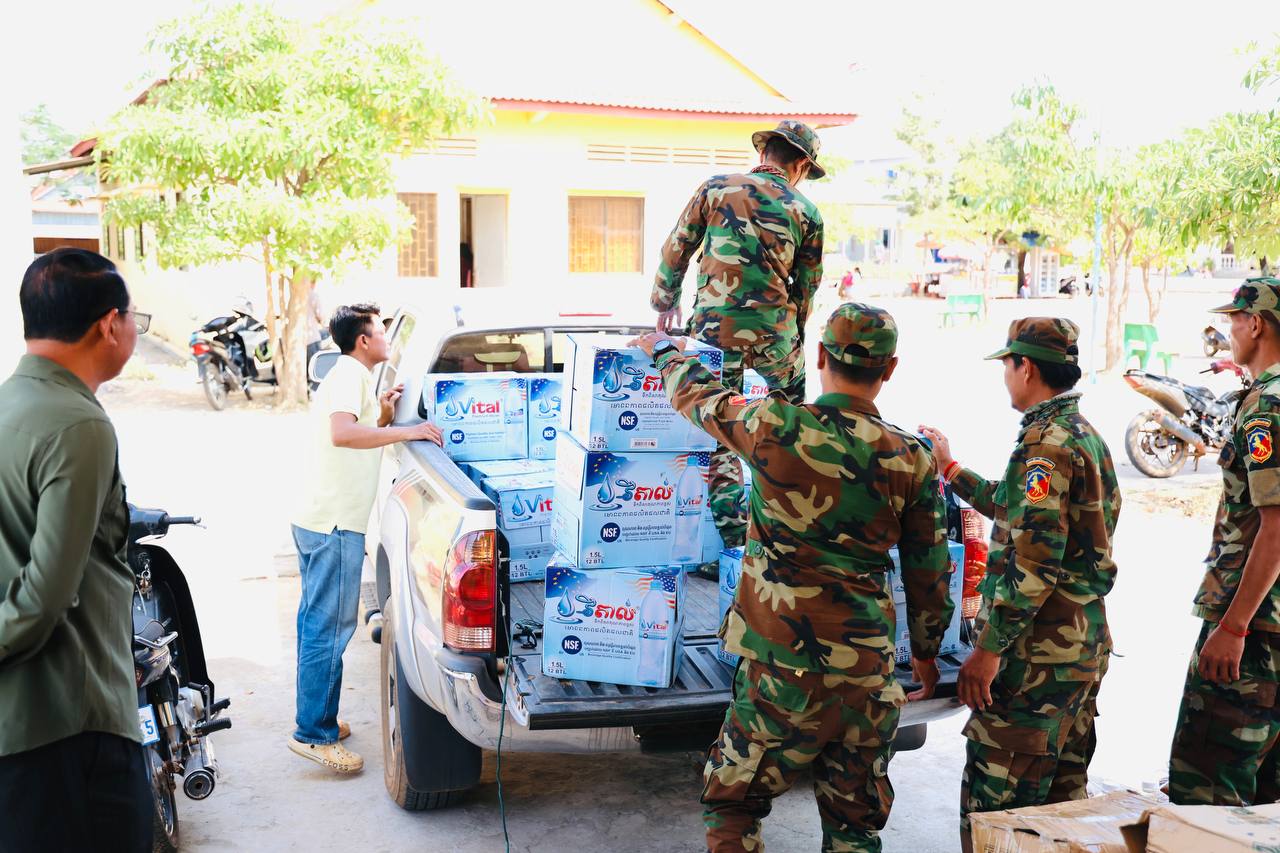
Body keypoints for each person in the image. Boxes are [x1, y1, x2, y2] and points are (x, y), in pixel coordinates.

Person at [633, 302, 954, 853]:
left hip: (779, 671)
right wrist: (925, 655)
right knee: (854, 824)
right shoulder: (912, 457)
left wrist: (664, 351)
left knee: (733, 805)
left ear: (821, 356)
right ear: (890, 368)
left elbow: (702, 398)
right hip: (866, 675)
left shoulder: (775, 426)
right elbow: (930, 572)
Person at [920, 318, 1119, 852]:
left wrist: (987, 651)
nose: (1005, 377)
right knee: (1061, 812)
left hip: (1036, 661)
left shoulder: (1044, 447)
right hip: (1079, 650)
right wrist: (950, 468)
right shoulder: (1081, 434)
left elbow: (1034, 563)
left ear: (1025, 367)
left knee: (998, 820)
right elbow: (1018, 512)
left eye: (1007, 366)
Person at [0, 248, 153, 852]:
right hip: (70, 724)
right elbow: (45, 597)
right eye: (134, 318)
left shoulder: (10, 406)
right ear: (109, 324)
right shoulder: (78, 424)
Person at [651, 120, 826, 572]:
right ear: (800, 164)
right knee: (792, 432)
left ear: (764, 152)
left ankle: (734, 554)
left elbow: (677, 247)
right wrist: (793, 335)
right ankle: (789, 537)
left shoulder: (716, 188)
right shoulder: (807, 212)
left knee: (720, 433)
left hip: (715, 331)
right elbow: (807, 287)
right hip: (776, 336)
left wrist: (664, 302)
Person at [289, 303, 443, 773]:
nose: (386, 339)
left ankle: (318, 718)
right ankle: (313, 735)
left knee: (316, 624)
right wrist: (408, 430)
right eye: (381, 331)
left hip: (318, 516)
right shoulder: (349, 375)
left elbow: (353, 429)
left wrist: (383, 413)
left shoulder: (353, 376)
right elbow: (342, 434)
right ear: (363, 340)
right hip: (334, 523)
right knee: (328, 629)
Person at [1167, 277, 1280, 805]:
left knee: (1208, 793)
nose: (1228, 331)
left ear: (1255, 324)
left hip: (1255, 629)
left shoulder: (1267, 409)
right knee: (1265, 801)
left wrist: (1233, 626)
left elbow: (1276, 527)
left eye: (1233, 320)